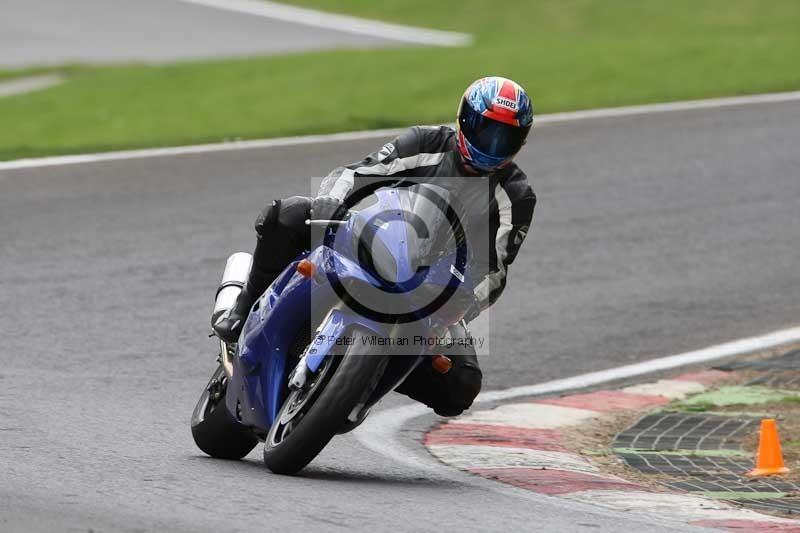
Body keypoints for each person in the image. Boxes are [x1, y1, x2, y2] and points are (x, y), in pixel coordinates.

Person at [214, 76, 536, 416]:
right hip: (368, 240)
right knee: (288, 214)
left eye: (505, 137)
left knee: (461, 386)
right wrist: (330, 202)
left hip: (434, 291)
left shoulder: (516, 197)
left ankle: (361, 379)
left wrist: (462, 308)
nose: (493, 144)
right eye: (487, 130)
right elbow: (355, 174)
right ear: (465, 121)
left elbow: (494, 271)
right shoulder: (425, 142)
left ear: (520, 142)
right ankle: (243, 308)